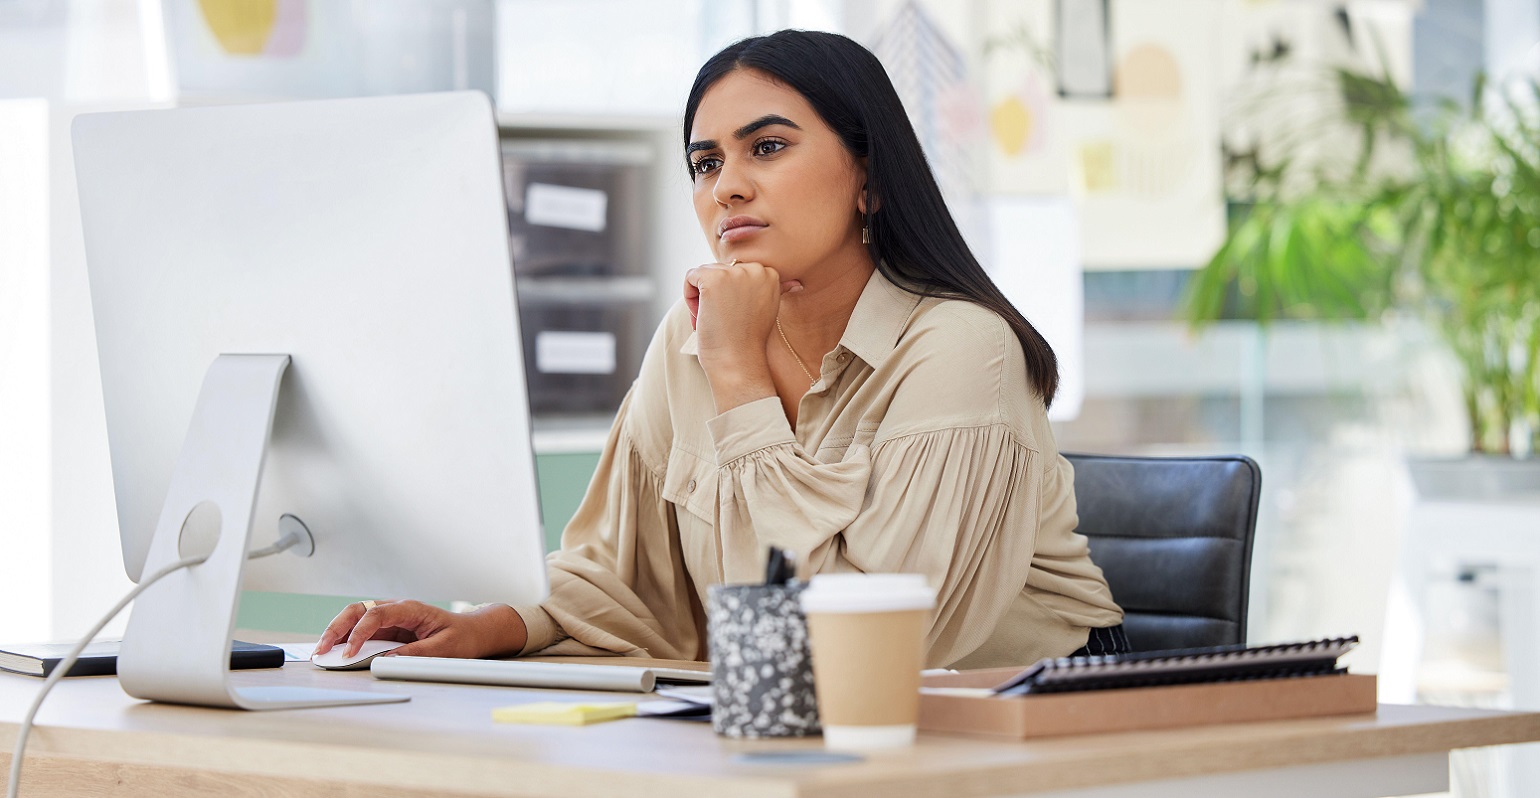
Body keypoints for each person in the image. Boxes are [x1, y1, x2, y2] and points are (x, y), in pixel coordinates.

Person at [315, 30, 1125, 669]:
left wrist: (738, 376)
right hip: (799, 715)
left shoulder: (961, 348)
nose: (726, 186)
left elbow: (863, 640)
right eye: (706, 163)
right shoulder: (690, 336)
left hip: (1028, 716)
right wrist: (487, 623)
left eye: (766, 148)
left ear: (869, 177)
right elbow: (629, 579)